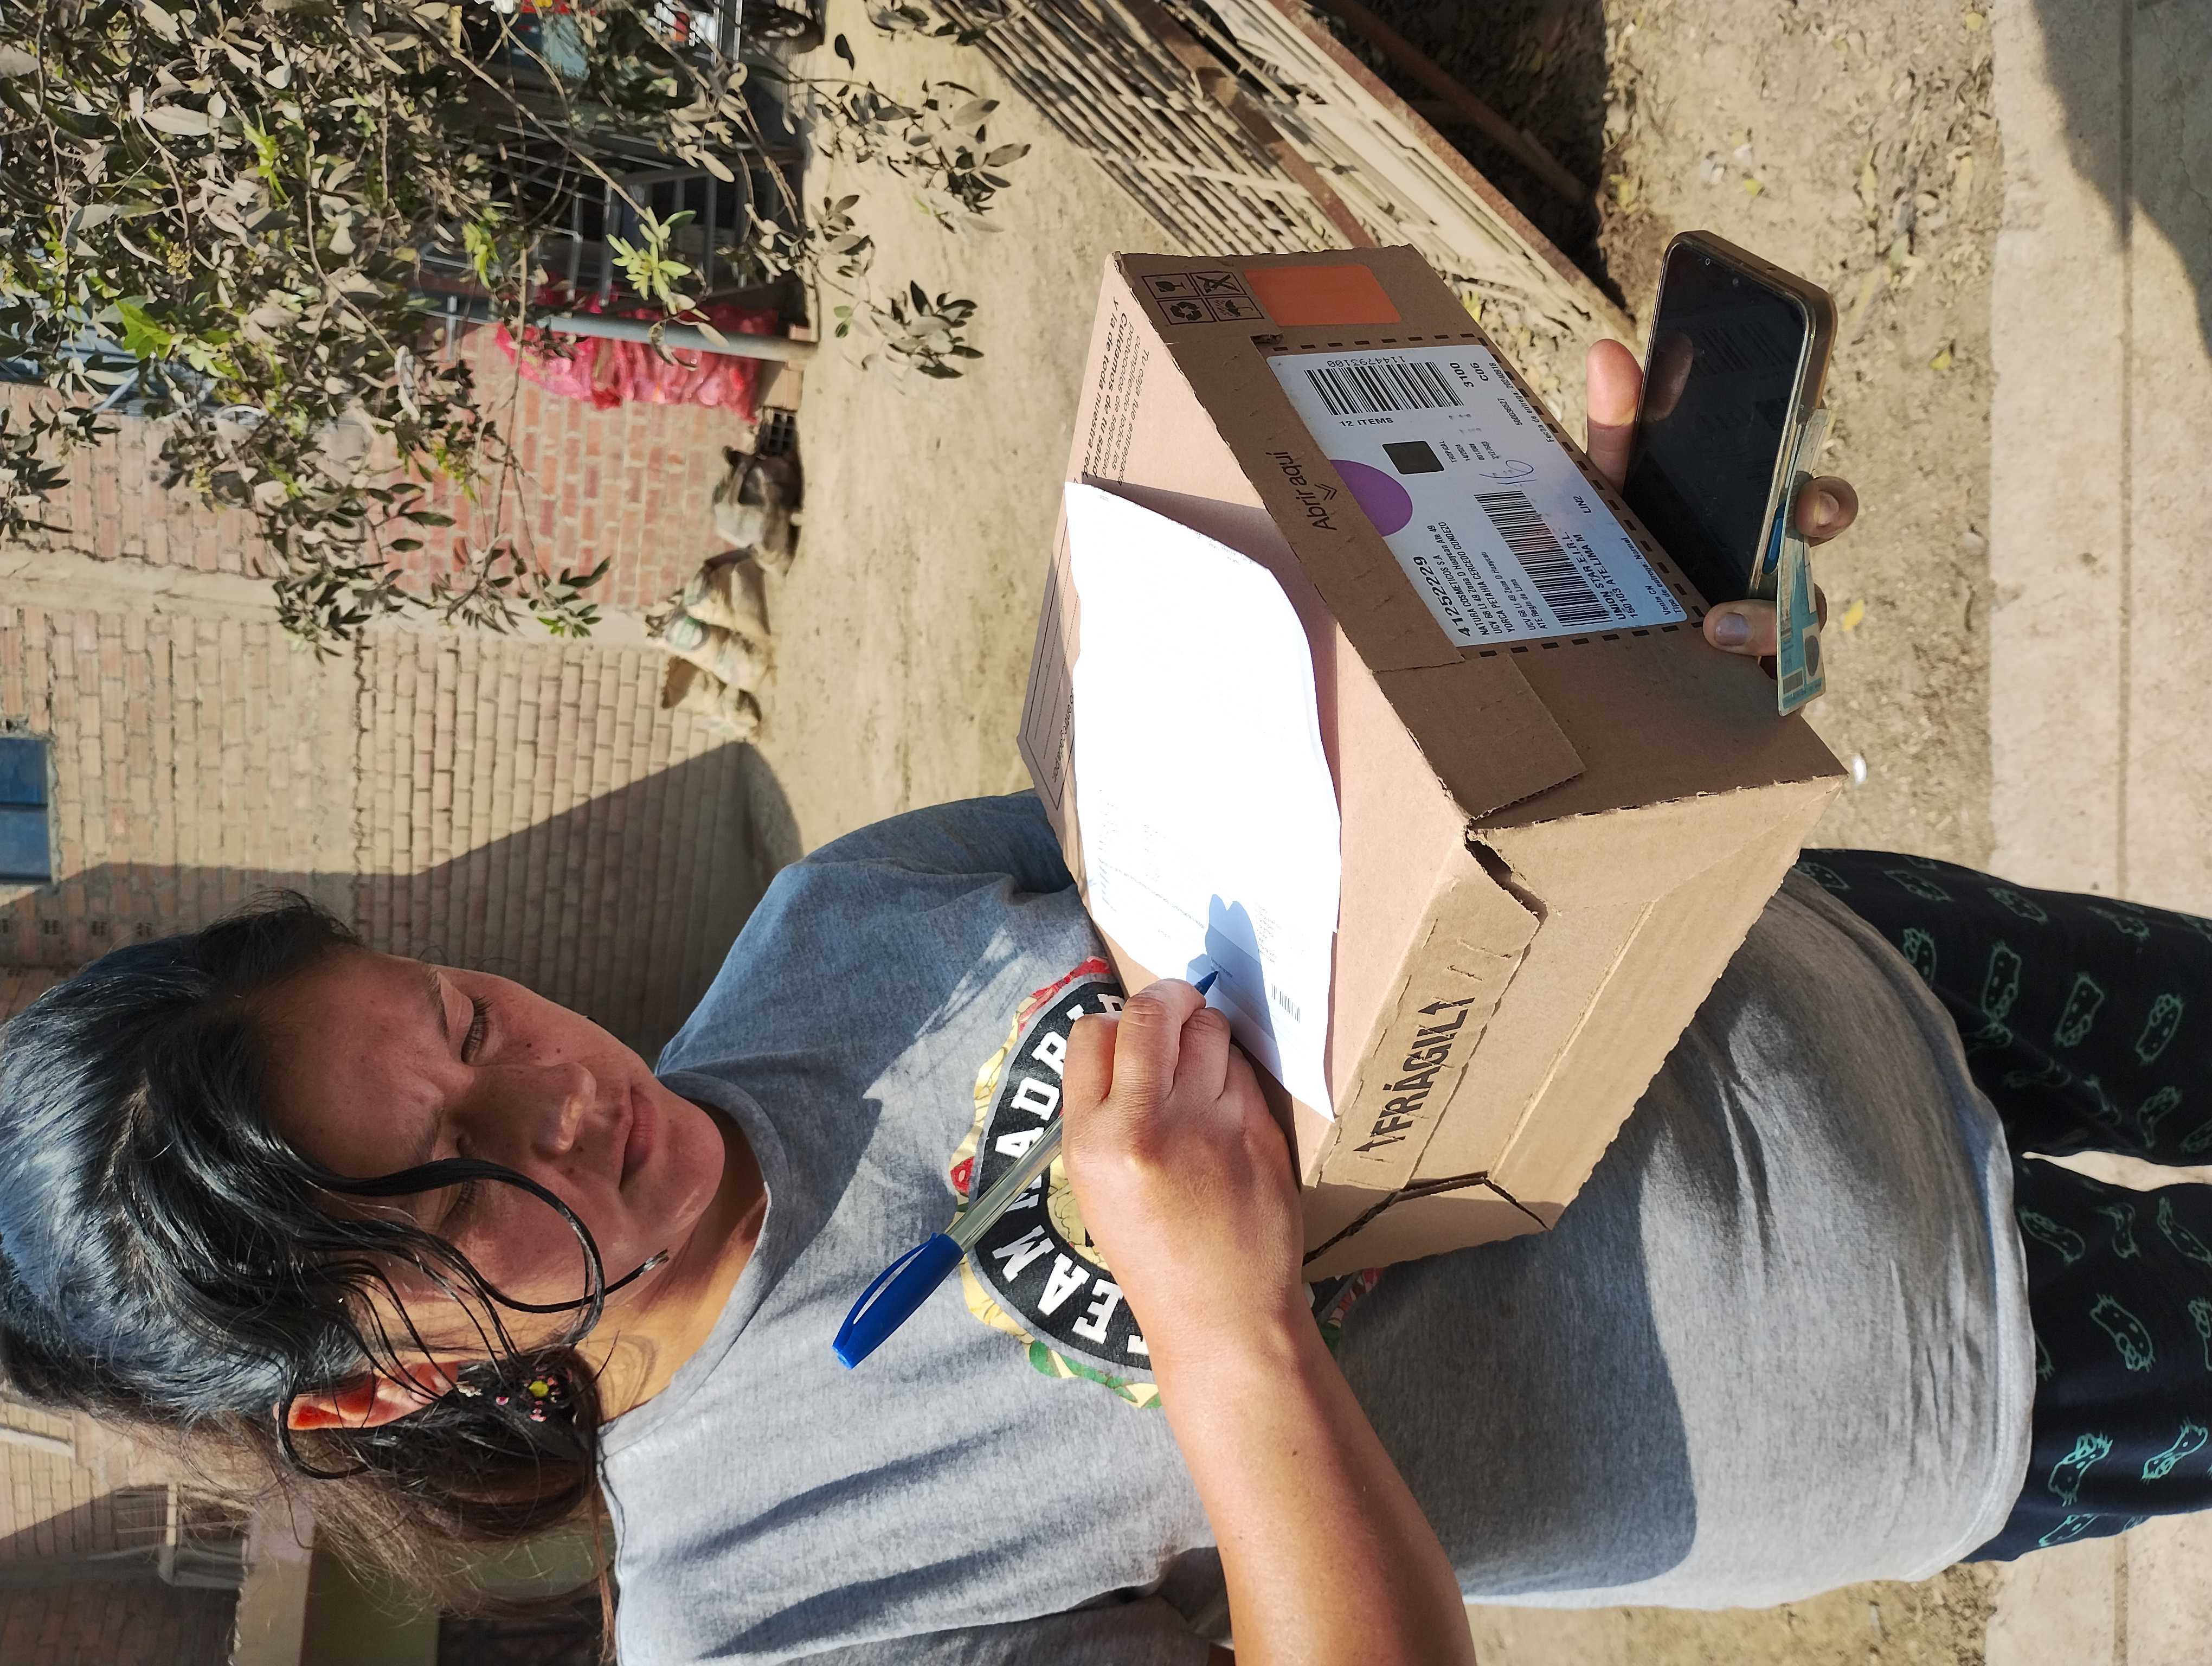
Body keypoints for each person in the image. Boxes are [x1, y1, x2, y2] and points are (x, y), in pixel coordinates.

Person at [1, 343, 2204, 1666]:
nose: (561, 1105)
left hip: (1840, 970)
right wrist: (1223, 1318)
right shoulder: (754, 1605)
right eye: (457, 1183)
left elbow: (1379, 828)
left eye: (471, 1027)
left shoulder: (839, 923)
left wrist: (1604, 604)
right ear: (375, 1397)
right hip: (1932, 1368)